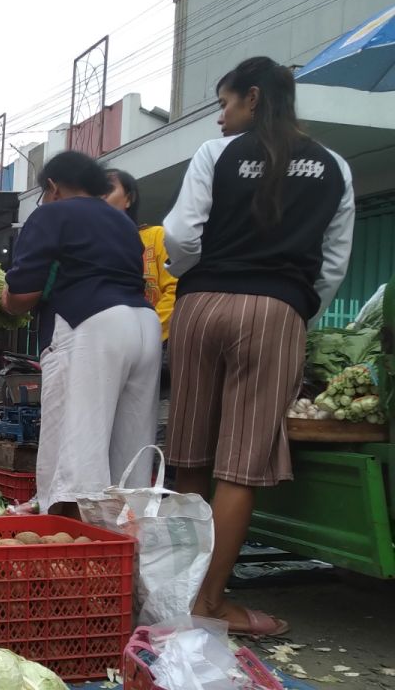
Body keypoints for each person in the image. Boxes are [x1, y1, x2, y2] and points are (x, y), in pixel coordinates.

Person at [162, 56, 354, 637]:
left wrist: (201, 273)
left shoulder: (216, 156)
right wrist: (293, 306)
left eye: (225, 104)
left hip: (200, 305)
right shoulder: (335, 166)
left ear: (252, 96)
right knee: (239, 467)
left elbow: (179, 235)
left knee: (189, 455)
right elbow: (333, 264)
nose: (221, 117)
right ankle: (211, 603)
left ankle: (173, 593)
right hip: (275, 310)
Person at [1, 150, 160, 517]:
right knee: (129, 448)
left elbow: (23, 294)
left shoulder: (53, 213)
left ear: (53, 187)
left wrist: (6, 299)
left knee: (74, 446)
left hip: (89, 324)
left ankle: (68, 542)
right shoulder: (123, 223)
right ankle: (125, 543)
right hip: (143, 326)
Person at [105, 168, 178, 444]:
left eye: (108, 189)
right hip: (108, 351)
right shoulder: (92, 245)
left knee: (152, 432)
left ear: (129, 198)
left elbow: (173, 289)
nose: (100, 197)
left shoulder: (155, 237)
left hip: (156, 348)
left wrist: (149, 336)